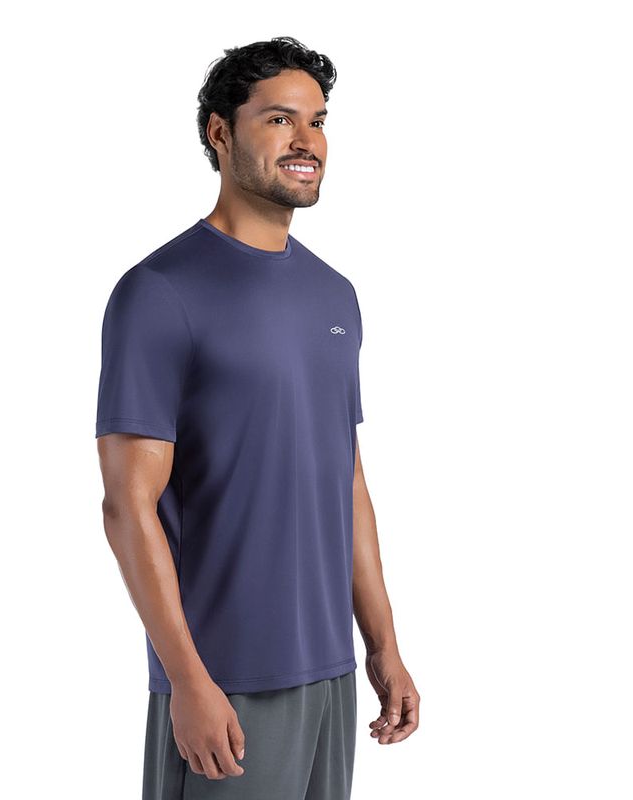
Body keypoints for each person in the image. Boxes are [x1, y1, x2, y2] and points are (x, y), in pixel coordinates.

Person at [95, 36, 420, 800]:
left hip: (330, 674)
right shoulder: (158, 292)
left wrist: (383, 646)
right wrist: (187, 681)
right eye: (279, 119)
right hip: (225, 682)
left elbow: (346, 483)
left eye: (318, 121)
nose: (307, 140)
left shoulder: (335, 295)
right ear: (220, 132)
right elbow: (127, 506)